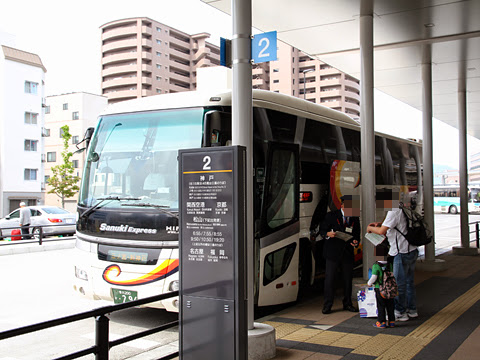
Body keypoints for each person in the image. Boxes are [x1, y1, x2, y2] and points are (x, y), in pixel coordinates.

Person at [366, 189, 418, 322]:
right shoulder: (402, 207)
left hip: (401, 252)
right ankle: (412, 310)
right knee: (409, 282)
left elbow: (382, 232)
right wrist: (380, 224)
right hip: (411, 250)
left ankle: (400, 311)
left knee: (398, 283)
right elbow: (391, 226)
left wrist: (371, 228)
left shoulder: (393, 211)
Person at [319, 194, 360, 314]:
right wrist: (327, 234)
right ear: (342, 205)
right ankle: (327, 305)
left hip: (347, 253)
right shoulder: (331, 216)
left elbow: (356, 235)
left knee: (347, 279)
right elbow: (322, 230)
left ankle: (347, 303)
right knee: (330, 279)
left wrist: (355, 242)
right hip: (332, 253)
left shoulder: (354, 218)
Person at [367, 242, 395, 328]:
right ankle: (391, 322)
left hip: (379, 289)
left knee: (381, 306)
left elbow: (374, 277)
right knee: (390, 306)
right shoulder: (389, 264)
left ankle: (381, 322)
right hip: (390, 288)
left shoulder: (376, 266)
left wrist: (369, 283)